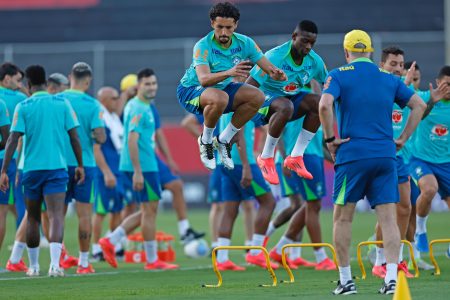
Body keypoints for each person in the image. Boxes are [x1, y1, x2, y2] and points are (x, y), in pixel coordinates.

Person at [319, 30, 425, 295]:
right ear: (370, 53)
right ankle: (391, 279)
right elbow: (419, 106)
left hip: (352, 155)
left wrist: (330, 139)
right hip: (384, 155)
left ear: (346, 52)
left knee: (343, 219)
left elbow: (324, 105)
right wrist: (401, 138)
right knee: (389, 219)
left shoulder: (338, 74)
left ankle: (346, 281)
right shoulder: (388, 79)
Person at [177, 1, 286, 171]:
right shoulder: (203, 46)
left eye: (228, 27)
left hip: (221, 90)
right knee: (220, 98)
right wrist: (230, 72)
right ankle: (205, 141)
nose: (224, 32)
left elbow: (269, 69)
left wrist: (278, 74)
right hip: (191, 91)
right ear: (212, 23)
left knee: (257, 96)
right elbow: (204, 79)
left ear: (236, 25)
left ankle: (223, 140)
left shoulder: (245, 43)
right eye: (219, 27)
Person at [0, 65, 84, 277]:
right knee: (56, 216)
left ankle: (34, 266)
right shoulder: (62, 103)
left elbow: (12, 139)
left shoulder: (24, 105)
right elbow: (74, 137)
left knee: (33, 218)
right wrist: (80, 164)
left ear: (28, 85)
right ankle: (55, 266)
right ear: (46, 84)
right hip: (56, 168)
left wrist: (3, 170)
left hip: (31, 169)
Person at [99, 68, 178, 270]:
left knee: (146, 210)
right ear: (138, 86)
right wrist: (137, 171)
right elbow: (131, 140)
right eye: (147, 84)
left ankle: (110, 240)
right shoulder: (138, 108)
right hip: (142, 166)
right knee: (150, 211)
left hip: (145, 164)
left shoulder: (143, 106)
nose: (152, 87)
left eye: (154, 83)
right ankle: (152, 260)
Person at [247, 20, 327, 185]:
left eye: (312, 42)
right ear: (294, 37)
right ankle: (266, 157)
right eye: (305, 41)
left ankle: (296, 156)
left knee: (318, 102)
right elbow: (248, 87)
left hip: (286, 105)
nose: (309, 46)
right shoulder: (274, 57)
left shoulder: (315, 62)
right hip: (262, 105)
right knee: (285, 106)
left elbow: (330, 84)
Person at [215, 113, 278, 271]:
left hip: (224, 162)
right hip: (240, 163)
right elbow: (239, 135)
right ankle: (256, 252)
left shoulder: (230, 102)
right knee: (268, 202)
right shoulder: (240, 103)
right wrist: (247, 167)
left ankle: (222, 259)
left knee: (230, 209)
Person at [59, 62, 106, 274]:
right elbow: (100, 136)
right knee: (85, 215)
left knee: (56, 214)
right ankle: (84, 263)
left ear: (70, 77)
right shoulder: (93, 104)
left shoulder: (58, 100)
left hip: (58, 164)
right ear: (88, 80)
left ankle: (56, 258)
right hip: (84, 164)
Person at [411, 66, 450, 253]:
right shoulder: (425, 97)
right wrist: (432, 102)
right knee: (429, 189)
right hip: (421, 158)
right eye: (447, 84)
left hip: (446, 161)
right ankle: (420, 230)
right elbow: (415, 116)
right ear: (437, 82)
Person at [92, 87, 126, 261]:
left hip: (118, 171)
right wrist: (106, 172)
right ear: (104, 100)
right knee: (101, 211)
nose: (117, 101)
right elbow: (96, 149)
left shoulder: (113, 117)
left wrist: (125, 95)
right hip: (106, 173)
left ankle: (111, 244)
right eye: (114, 98)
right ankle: (96, 248)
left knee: (117, 210)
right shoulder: (101, 119)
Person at [0, 63, 27, 240]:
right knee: (11, 207)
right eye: (18, 80)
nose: (19, 84)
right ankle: (21, 243)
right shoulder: (19, 98)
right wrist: (24, 90)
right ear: (7, 78)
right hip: (9, 158)